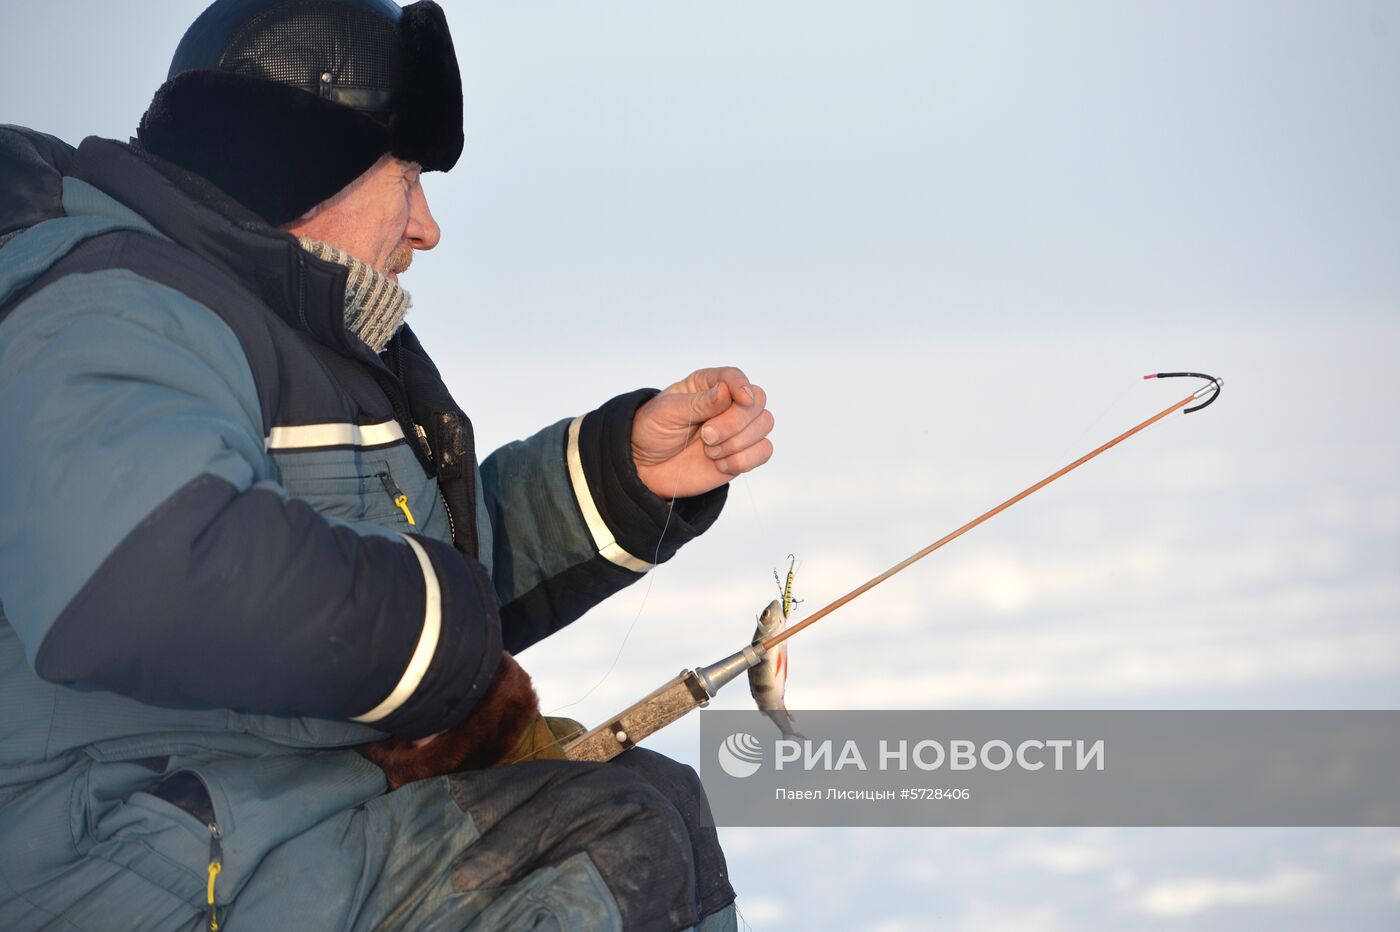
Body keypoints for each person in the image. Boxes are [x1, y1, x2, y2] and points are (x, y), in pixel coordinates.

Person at [0, 1, 772, 928]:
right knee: (602, 842)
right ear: (294, 166)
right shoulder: (111, 307)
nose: (427, 226)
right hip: (114, 859)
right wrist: (445, 656)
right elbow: (146, 573)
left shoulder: (282, 328)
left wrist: (616, 479)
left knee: (660, 806)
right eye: (405, 177)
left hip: (256, 811)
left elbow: (389, 577)